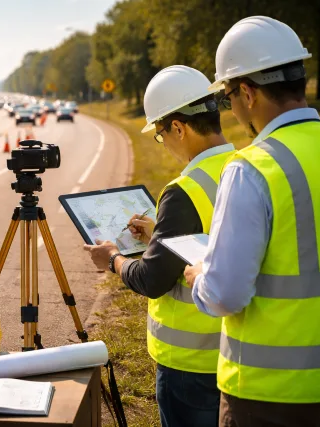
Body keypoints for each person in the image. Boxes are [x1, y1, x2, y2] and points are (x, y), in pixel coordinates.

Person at [183, 16, 320, 427]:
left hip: (268, 397)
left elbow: (225, 295)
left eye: (226, 96)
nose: (229, 109)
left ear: (247, 93)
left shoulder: (252, 168)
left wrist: (199, 275)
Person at [84, 65, 235, 427]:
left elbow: (153, 279)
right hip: (235, 352)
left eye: (160, 134)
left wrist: (113, 260)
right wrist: (159, 239)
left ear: (179, 128)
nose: (163, 143)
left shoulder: (184, 190)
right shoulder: (243, 166)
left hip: (190, 365)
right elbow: (216, 244)